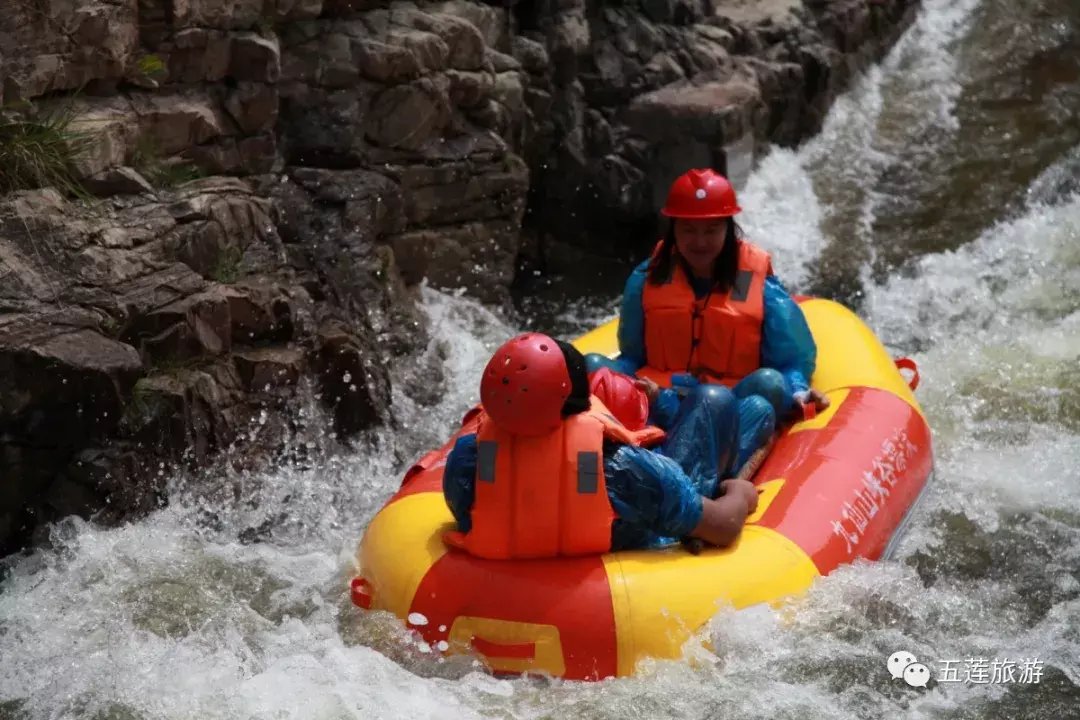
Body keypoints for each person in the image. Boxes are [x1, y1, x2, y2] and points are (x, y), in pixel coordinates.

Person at [586, 168, 829, 470]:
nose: (700, 241)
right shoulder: (647, 278)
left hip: (729, 404)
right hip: (658, 397)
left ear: (728, 229)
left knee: (769, 384)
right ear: (673, 229)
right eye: (689, 230)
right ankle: (606, 457)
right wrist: (618, 384)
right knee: (593, 366)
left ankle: (707, 470)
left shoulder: (757, 285)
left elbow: (790, 360)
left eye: (711, 230)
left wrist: (798, 391)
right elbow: (632, 356)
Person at [442, 333, 758, 558]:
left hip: (509, 570)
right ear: (580, 402)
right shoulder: (623, 468)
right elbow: (723, 526)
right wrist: (740, 494)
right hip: (631, 539)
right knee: (714, 401)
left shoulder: (468, 458)